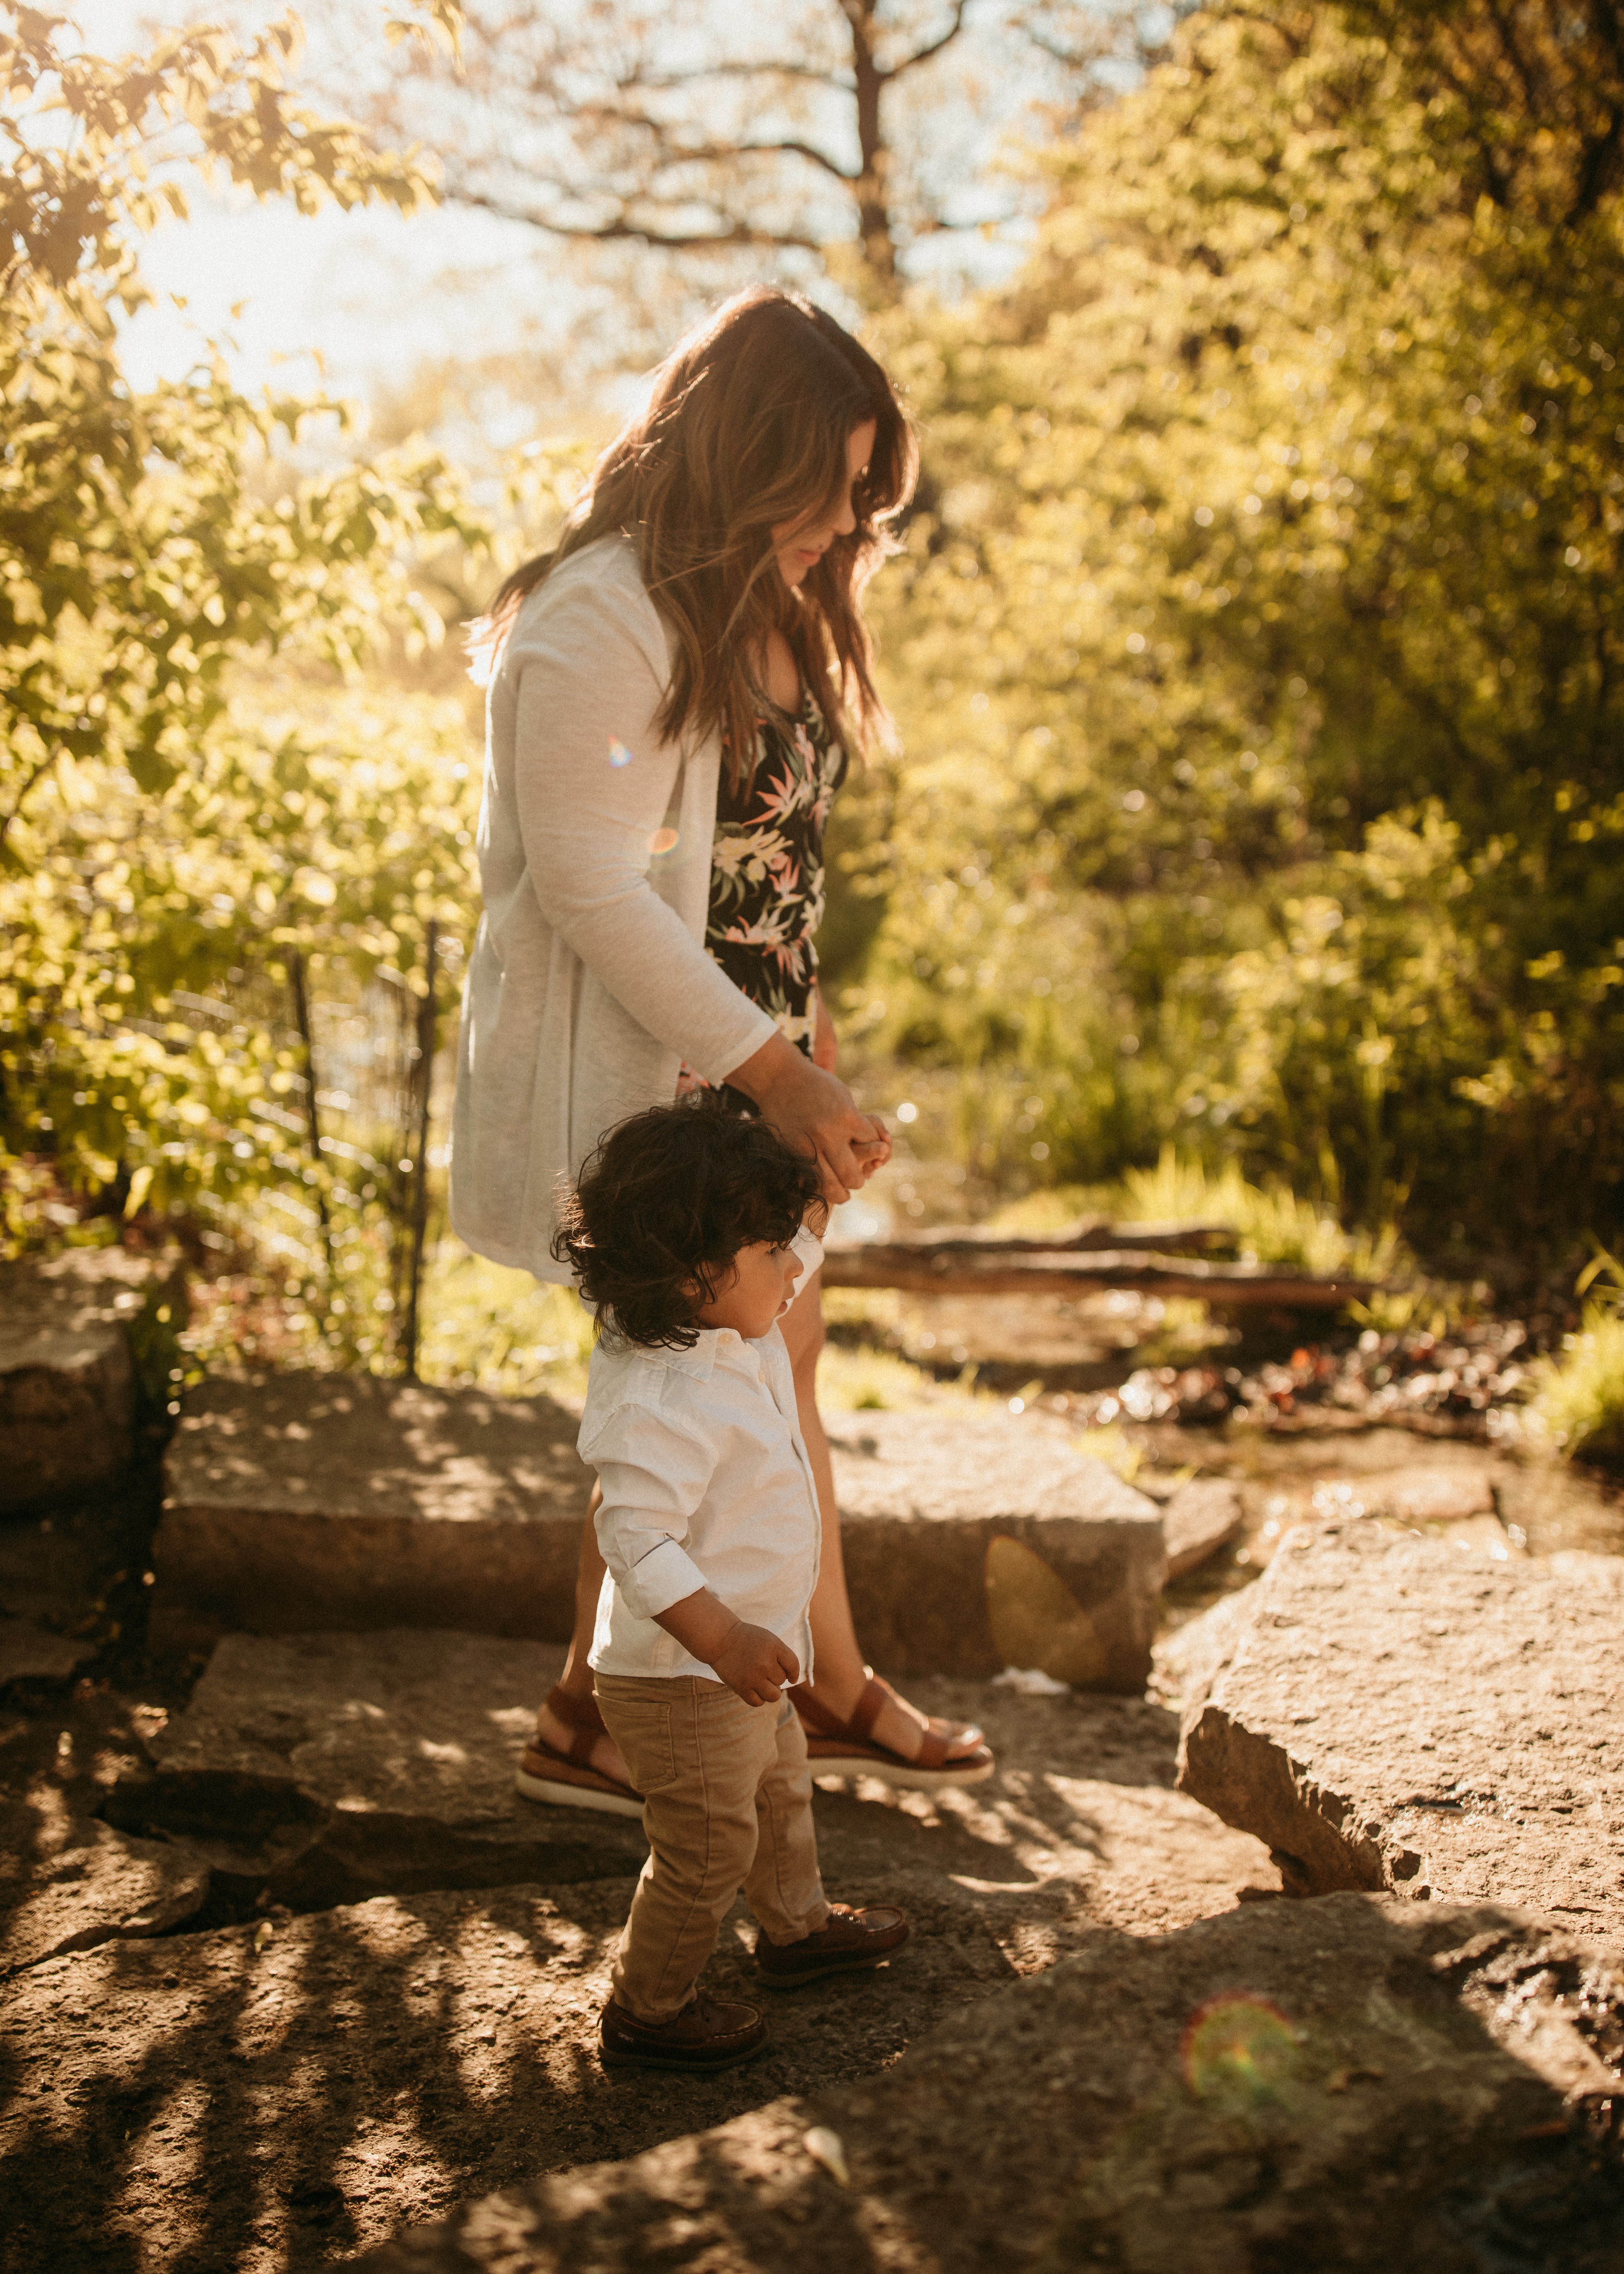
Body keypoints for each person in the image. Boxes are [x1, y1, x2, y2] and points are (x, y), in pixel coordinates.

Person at [452, 284, 994, 1811]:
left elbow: (771, 867)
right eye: (830, 489)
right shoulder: (596, 615)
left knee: (763, 1371)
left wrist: (811, 1048)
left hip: (757, 1062)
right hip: (664, 1085)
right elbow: (591, 885)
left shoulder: (782, 604)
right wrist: (773, 1070)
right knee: (694, 1375)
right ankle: (653, 1701)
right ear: (747, 456)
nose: (848, 523)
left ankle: (728, 1687)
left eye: (864, 494)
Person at [558, 1099, 911, 2072]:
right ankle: (649, 2006)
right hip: (685, 1677)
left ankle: (795, 1932)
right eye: (770, 1253)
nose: (793, 1266)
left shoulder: (722, 1319)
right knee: (709, 1846)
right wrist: (721, 1637)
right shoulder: (659, 1396)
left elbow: (787, 1238)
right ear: (693, 1274)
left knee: (780, 1793)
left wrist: (834, 1184)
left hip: (745, 1662)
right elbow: (632, 1534)